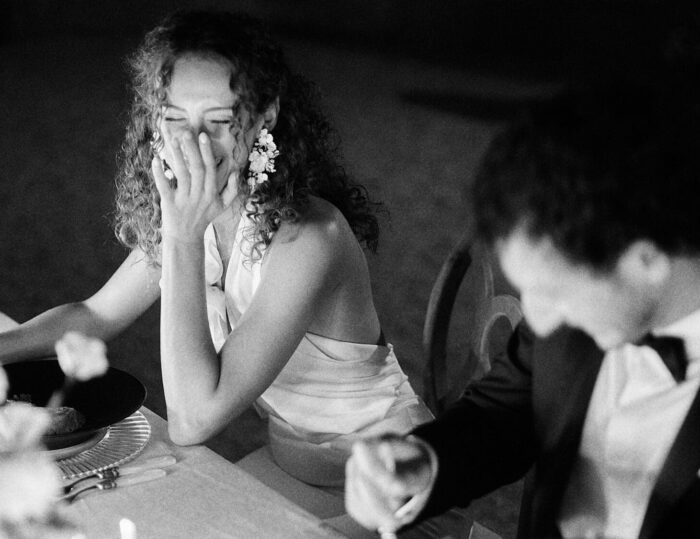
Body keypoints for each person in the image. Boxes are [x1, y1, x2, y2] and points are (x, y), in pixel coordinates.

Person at [0, 10, 431, 487]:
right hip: (290, 466)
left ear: (265, 115)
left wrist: (182, 236)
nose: (194, 143)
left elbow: (193, 421)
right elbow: (95, 314)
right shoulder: (198, 210)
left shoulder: (312, 237)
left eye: (220, 121)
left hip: (394, 478)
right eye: (174, 119)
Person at [345, 85, 700, 538]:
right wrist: (422, 466)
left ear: (647, 259)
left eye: (554, 294)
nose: (539, 322)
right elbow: (505, 412)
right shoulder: (575, 282)